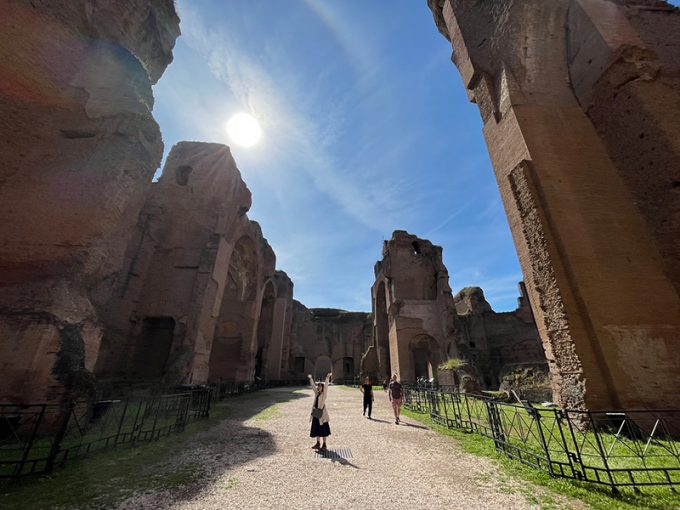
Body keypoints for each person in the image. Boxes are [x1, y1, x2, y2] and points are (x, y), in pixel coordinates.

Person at [308, 372, 332, 451]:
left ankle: (324, 444)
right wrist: (311, 379)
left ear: (322, 387)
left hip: (321, 414)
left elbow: (326, 386)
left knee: (323, 430)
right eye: (318, 386)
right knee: (317, 429)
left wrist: (327, 378)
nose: (318, 387)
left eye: (320, 386)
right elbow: (313, 387)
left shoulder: (324, 395)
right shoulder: (317, 394)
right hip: (315, 413)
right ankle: (318, 443)